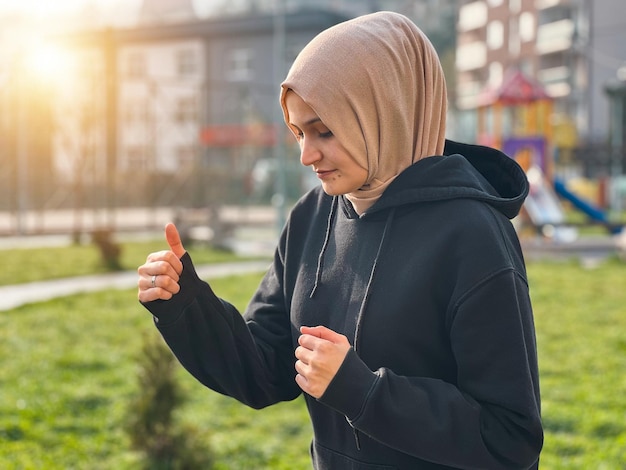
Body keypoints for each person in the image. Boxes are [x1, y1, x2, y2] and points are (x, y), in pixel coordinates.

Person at [137, 11, 543, 469]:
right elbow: (266, 371)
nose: (307, 155)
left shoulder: (473, 234)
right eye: (298, 132)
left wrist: (363, 391)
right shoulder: (312, 217)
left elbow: (510, 438)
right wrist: (185, 303)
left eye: (324, 131)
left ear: (383, 111)